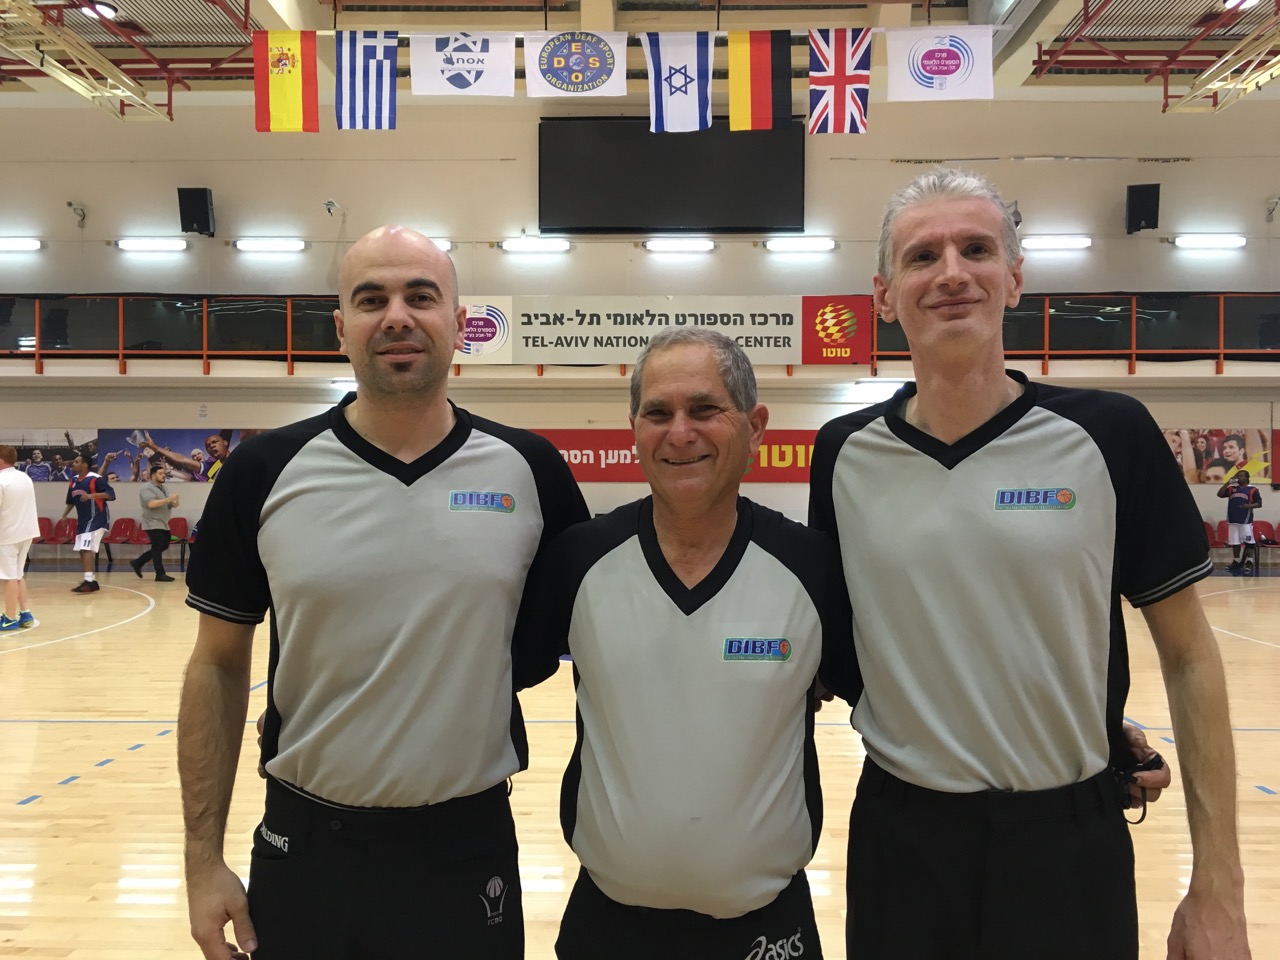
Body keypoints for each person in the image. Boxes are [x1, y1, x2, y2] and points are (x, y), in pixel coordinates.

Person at [810, 169, 1250, 960]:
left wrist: (1217, 889)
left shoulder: (1111, 433)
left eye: (976, 250)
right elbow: (848, 653)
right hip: (901, 844)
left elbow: (1189, 657)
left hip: (1068, 844)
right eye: (922, 256)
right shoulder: (842, 452)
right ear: (884, 295)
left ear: (1014, 279)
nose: (952, 272)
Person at [176, 225, 588, 960]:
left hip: (467, 847)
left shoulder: (531, 469)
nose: (397, 316)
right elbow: (215, 664)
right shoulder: (264, 471)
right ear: (341, 328)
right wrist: (202, 861)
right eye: (372, 300)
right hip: (306, 848)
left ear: (461, 323)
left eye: (420, 297)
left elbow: (581, 646)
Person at [517, 329, 859, 960]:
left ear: (755, 427)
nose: (680, 433)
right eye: (658, 413)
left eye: (705, 409)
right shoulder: (578, 560)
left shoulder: (813, 568)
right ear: (634, 430)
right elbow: (498, 669)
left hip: (766, 926)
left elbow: (870, 696)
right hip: (606, 924)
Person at [58, 455, 114, 594]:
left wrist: (91, 495)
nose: (73, 464)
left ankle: (88, 582)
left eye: (76, 462)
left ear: (85, 465)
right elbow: (71, 501)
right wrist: (64, 515)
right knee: (82, 549)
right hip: (83, 520)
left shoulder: (95, 478)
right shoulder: (73, 481)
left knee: (86, 547)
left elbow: (111, 494)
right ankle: (91, 581)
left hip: (97, 518)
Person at [0, 444, 41, 631]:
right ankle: (25, 613)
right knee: (17, 574)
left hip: (7, 534)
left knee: (8, 577)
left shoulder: (1, 480)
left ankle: (9, 618)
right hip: (26, 532)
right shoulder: (24, 477)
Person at [131, 462, 179, 582]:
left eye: (164, 473)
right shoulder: (146, 488)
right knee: (157, 546)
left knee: (164, 544)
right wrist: (169, 499)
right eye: (160, 473)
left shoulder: (163, 488)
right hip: (152, 522)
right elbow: (151, 504)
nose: (163, 475)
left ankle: (138, 562)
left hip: (163, 523)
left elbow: (172, 504)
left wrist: (175, 501)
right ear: (153, 475)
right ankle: (160, 574)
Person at [1218, 469, 1262, 575]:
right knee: (1235, 542)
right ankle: (1236, 561)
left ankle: (1249, 562)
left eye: (1241, 476)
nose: (1239, 477)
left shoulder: (1253, 489)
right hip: (1233, 520)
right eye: (1238, 476)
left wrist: (1249, 506)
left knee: (1249, 542)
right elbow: (1220, 494)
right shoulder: (1232, 488)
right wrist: (1228, 482)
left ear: (1247, 477)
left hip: (1245, 521)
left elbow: (1259, 503)